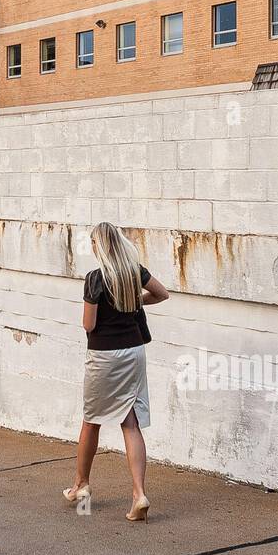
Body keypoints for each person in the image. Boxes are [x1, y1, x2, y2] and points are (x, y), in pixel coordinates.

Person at [63, 221, 170, 521]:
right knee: (130, 422)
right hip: (134, 352)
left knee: (91, 420)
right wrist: (134, 299)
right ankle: (139, 494)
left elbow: (89, 325)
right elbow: (162, 294)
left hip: (104, 355)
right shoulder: (134, 271)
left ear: (99, 246)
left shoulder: (95, 279)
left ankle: (81, 485)